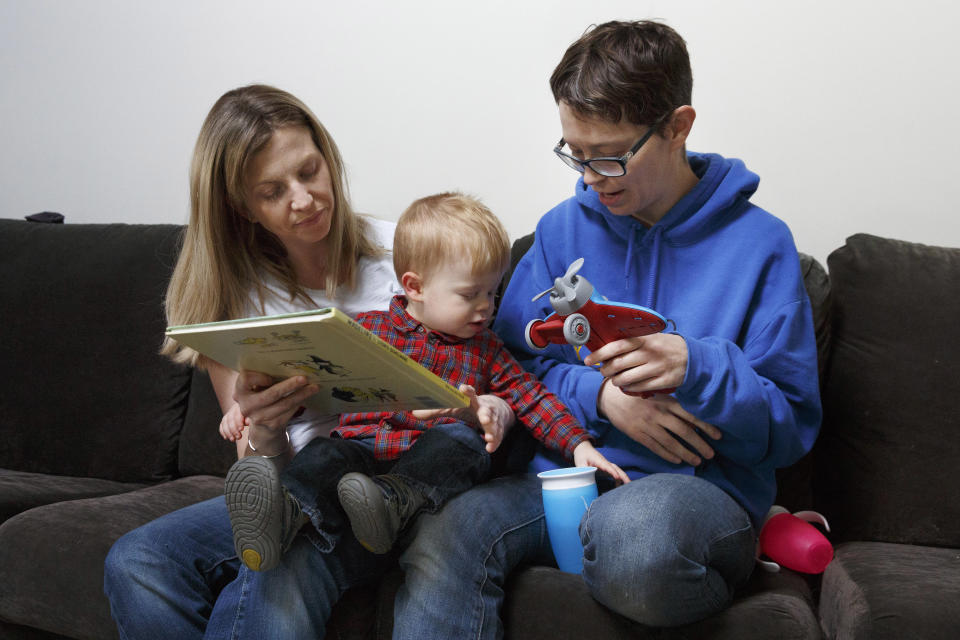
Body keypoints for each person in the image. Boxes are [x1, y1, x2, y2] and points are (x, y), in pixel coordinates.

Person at [388, 20, 822, 635]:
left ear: (678, 126)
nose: (589, 176)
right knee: (445, 533)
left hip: (695, 493)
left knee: (633, 542)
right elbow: (511, 363)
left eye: (610, 155)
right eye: (574, 152)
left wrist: (698, 368)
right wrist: (604, 399)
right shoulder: (561, 229)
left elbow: (792, 425)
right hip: (568, 471)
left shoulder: (761, 246)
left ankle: (744, 541)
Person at [102, 84, 478, 639]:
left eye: (309, 171)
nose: (303, 199)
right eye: (273, 191)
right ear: (241, 207)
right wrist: (265, 431)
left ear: (327, 157)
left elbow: (477, 363)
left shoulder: (404, 257)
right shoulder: (235, 298)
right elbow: (252, 458)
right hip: (297, 484)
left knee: (275, 569)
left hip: (387, 484)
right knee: (138, 561)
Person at [221, 192, 629, 569]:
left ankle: (394, 504)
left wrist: (579, 444)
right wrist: (246, 405)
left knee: (464, 442)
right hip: (359, 455)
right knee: (324, 456)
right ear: (415, 287)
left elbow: (533, 397)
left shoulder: (487, 349)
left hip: (422, 465)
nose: (486, 308)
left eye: (492, 292)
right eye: (471, 294)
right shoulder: (368, 330)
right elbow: (307, 379)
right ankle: (285, 513)